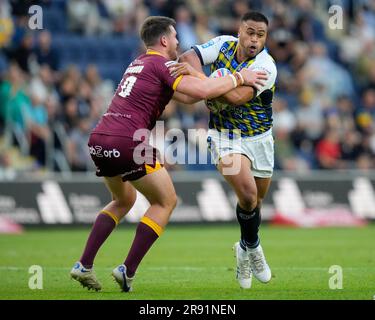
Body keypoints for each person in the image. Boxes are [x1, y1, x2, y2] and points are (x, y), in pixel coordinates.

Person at [70, 15, 267, 292]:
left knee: (123, 199)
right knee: (166, 201)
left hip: (100, 139)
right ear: (164, 40)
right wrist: (238, 77)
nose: (178, 42)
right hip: (128, 141)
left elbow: (190, 96)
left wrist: (208, 91)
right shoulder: (162, 63)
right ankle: (128, 270)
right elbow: (203, 89)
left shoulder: (138, 63)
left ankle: (84, 264)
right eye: (174, 37)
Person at [175, 11, 277, 289]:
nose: (254, 39)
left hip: (260, 138)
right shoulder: (222, 44)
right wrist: (210, 75)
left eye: (261, 34)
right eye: (250, 32)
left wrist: (204, 81)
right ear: (239, 30)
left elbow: (234, 97)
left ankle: (243, 249)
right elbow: (186, 58)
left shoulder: (266, 65)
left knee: (255, 202)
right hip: (225, 135)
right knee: (247, 194)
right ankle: (254, 247)